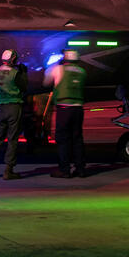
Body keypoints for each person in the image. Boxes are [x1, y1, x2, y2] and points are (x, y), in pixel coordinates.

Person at [0, 48, 27, 180]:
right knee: (12, 139)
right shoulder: (15, 73)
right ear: (13, 59)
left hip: (1, 108)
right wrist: (23, 73)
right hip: (14, 107)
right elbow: (24, 87)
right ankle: (8, 170)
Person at [48, 49, 87, 178]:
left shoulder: (59, 69)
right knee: (77, 138)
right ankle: (80, 169)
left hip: (64, 108)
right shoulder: (82, 72)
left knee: (63, 139)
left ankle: (64, 170)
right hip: (78, 109)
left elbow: (46, 81)